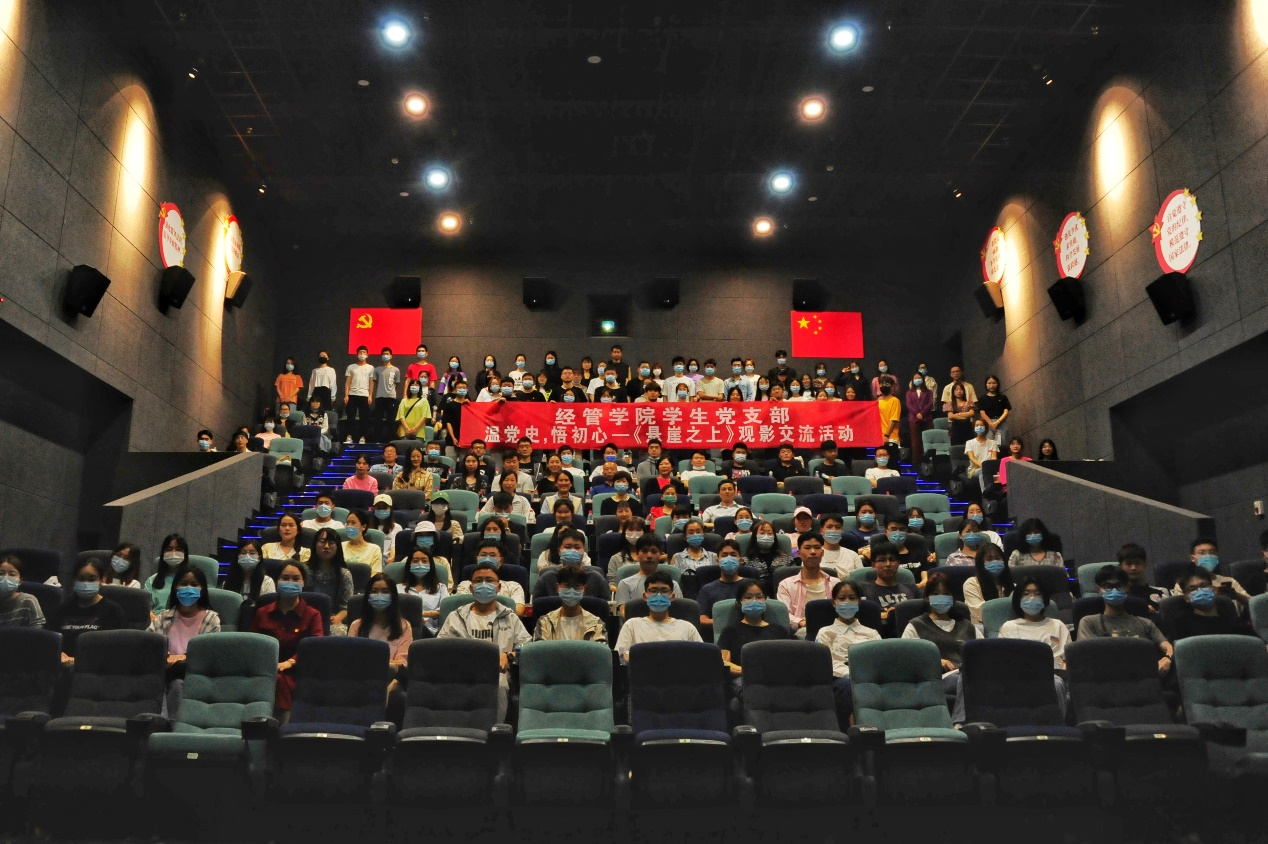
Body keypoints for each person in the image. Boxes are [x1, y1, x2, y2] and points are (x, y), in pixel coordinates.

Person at [438, 561, 530, 718]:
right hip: (462, 670)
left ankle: (496, 728)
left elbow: (527, 647)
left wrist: (508, 656)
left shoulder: (509, 617)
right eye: (478, 580)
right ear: (471, 588)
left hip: (497, 672)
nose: (484, 584)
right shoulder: (456, 617)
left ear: (498, 587)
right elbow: (440, 649)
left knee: (500, 684)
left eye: (489, 580)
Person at [252, 562, 324, 717]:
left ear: (303, 582)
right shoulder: (262, 613)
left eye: (296, 579)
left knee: (280, 680)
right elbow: (254, 646)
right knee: (276, 679)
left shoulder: (313, 615)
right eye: (285, 578)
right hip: (267, 669)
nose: (290, 582)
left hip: (300, 671)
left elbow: (315, 647)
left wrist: (290, 662)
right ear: (277, 581)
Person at [149, 564, 222, 712]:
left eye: (194, 584)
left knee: (178, 683)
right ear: (176, 587)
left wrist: (183, 658)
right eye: (183, 584)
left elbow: (210, 655)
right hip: (164, 672)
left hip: (195, 675)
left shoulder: (212, 619)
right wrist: (166, 657)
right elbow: (149, 645)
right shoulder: (164, 617)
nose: (188, 588)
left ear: (202, 589)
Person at [1076, 566, 1174, 674]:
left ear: (1126, 588)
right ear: (1099, 590)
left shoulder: (1145, 623)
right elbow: (1087, 656)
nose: (1114, 590)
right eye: (1108, 586)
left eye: (1119, 586)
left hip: (1146, 676)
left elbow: (1169, 647)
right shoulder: (1089, 622)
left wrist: (1168, 658)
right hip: (1109, 678)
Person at [901, 573, 976, 704]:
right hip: (936, 680)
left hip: (967, 674)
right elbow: (906, 659)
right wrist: (936, 660)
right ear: (927, 597)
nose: (941, 598)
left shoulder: (968, 626)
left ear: (953, 598)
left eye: (946, 594)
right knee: (966, 683)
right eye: (936, 594)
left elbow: (982, 653)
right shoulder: (916, 625)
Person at [817, 580, 881, 729]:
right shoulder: (825, 632)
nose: (847, 602)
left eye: (852, 598)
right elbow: (826, 663)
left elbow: (878, 661)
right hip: (838, 680)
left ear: (859, 602)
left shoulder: (872, 633)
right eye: (841, 598)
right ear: (834, 603)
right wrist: (852, 675)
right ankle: (851, 732)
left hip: (868, 678)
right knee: (847, 687)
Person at [719, 579, 790, 700]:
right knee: (754, 693)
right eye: (748, 597)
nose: (754, 601)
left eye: (759, 597)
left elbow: (788, 660)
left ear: (765, 600)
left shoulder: (779, 631)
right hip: (744, 678)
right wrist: (749, 671)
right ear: (740, 602)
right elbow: (724, 663)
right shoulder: (730, 631)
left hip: (775, 678)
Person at [614, 571, 703, 660]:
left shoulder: (687, 628)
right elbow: (620, 654)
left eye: (664, 591)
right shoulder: (631, 625)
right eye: (653, 591)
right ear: (645, 596)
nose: (659, 595)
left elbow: (702, 656)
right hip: (642, 668)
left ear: (672, 597)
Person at [350, 574, 411, 692]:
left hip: (391, 678)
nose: (379, 596)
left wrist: (373, 663)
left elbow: (402, 663)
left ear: (393, 596)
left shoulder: (404, 626)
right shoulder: (356, 626)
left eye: (385, 591)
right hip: (362, 677)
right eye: (374, 591)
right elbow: (353, 659)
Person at [57, 558, 125, 664]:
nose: (86, 583)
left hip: (98, 669)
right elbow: (50, 641)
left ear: (102, 580)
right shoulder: (63, 609)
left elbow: (120, 649)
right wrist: (58, 654)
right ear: (74, 580)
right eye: (81, 579)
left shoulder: (113, 611)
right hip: (64, 667)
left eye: (91, 579)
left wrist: (80, 661)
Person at [777, 532, 839, 639]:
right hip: (802, 631)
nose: (813, 552)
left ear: (822, 553)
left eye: (817, 548)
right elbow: (784, 614)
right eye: (807, 548)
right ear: (799, 553)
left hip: (832, 629)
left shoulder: (836, 583)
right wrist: (802, 622)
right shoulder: (786, 584)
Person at [999, 576, 1069, 670]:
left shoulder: (1058, 625)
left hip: (1053, 673)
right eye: (1026, 594)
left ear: (1044, 598)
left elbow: (1068, 659)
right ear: (1018, 598)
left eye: (1037, 593)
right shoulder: (1009, 627)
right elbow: (1002, 661)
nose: (1032, 598)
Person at [1167, 569, 1252, 640]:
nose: (1200, 591)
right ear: (1186, 598)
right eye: (1192, 589)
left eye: (1204, 585)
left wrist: (1237, 596)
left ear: (1214, 589)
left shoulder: (1229, 616)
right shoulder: (1181, 624)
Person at [533, 566, 608, 642]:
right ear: (558, 588)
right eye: (567, 585)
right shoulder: (545, 623)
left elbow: (600, 649)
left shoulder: (596, 624)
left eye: (576, 586)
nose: (572, 590)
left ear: (584, 589)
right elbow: (539, 649)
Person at [1174, 537, 1250, 608]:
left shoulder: (1229, 581)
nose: (1208, 556)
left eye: (1212, 552)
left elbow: (1252, 604)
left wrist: (1235, 595)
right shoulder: (1185, 583)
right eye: (1202, 553)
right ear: (1193, 558)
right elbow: (1179, 608)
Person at [456, 540, 526, 615]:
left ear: (501, 560)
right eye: (483, 555)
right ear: (477, 559)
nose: (487, 559)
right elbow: (461, 608)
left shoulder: (514, 586)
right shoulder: (465, 585)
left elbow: (519, 610)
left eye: (492, 555)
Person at [860, 543, 919, 628]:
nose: (888, 564)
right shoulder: (862, 589)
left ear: (898, 564)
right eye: (882, 560)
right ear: (873, 565)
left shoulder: (912, 588)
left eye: (892, 559)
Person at [308, 527, 354, 635]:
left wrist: (338, 617)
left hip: (333, 619)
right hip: (307, 617)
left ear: (338, 547)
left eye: (331, 543)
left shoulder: (344, 574)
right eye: (322, 541)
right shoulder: (304, 571)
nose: (326, 546)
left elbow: (347, 606)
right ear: (315, 545)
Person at [615, 535, 683, 607]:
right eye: (644, 551)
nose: (649, 556)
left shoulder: (673, 585)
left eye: (654, 551)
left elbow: (679, 610)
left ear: (660, 554)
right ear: (637, 554)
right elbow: (624, 611)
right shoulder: (625, 584)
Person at [865, 515, 933, 586]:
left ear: (907, 531)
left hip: (917, 587)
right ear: (886, 531)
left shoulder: (918, 545)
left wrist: (924, 581)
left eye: (902, 529)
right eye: (893, 529)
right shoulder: (880, 553)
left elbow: (924, 569)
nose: (898, 533)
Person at [697, 540, 748, 628]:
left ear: (740, 560)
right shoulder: (707, 589)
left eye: (733, 555)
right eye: (724, 555)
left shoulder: (751, 586)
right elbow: (702, 619)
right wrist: (726, 623)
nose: (729, 558)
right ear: (718, 561)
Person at [397, 549, 449, 635]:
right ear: (409, 564)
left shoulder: (441, 588)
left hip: (432, 633)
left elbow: (445, 610)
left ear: (430, 565)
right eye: (415, 561)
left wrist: (422, 614)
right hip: (403, 631)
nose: (420, 564)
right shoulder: (397, 588)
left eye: (424, 561)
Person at [963, 544, 1012, 626]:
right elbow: (981, 613)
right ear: (981, 563)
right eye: (989, 559)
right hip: (982, 627)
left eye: (998, 558)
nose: (995, 562)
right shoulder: (971, 584)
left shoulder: (1012, 585)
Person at [145, 533, 189, 615]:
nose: (173, 553)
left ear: (184, 553)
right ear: (163, 553)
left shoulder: (190, 580)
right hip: (156, 620)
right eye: (169, 549)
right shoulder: (152, 580)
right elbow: (145, 609)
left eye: (178, 549)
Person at [1117, 543, 1168, 613]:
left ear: (1145, 565)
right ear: (1120, 567)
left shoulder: (1161, 593)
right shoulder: (1117, 597)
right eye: (1129, 564)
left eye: (1137, 563)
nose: (1133, 568)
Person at [343, 345, 377, 445]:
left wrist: (370, 395)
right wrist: (346, 395)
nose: (362, 354)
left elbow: (371, 383)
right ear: (357, 354)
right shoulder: (351, 367)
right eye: (360, 352)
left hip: (364, 395)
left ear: (367, 355)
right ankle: (349, 436)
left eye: (364, 352)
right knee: (350, 417)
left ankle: (363, 437)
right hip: (352, 394)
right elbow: (347, 382)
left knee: (364, 418)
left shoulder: (371, 368)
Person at [0, 555, 46, 627]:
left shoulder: (28, 601)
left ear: (20, 580)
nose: (6, 578)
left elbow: (38, 628)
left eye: (12, 574)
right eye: (1, 573)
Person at [341, 509, 384, 574]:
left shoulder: (374, 549)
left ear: (363, 527)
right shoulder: (340, 546)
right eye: (347, 522)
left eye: (353, 523)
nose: (349, 526)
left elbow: (375, 575)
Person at [906, 373, 935, 467]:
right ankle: (916, 463)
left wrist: (922, 413)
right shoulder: (909, 393)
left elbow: (930, 403)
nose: (917, 379)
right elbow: (909, 405)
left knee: (928, 440)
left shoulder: (929, 392)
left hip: (927, 418)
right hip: (914, 419)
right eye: (915, 378)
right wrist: (917, 414)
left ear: (923, 379)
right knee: (915, 442)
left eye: (919, 378)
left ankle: (928, 461)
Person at [607, 519, 646, 587]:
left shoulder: (651, 556)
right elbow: (612, 583)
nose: (634, 533)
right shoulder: (615, 558)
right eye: (631, 530)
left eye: (638, 530)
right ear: (624, 533)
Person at [977, 375, 1012, 449]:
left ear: (998, 384)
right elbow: (982, 413)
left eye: (994, 383)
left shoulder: (1003, 397)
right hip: (988, 423)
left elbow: (1006, 412)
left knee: (1001, 444)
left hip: (1000, 422)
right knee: (989, 445)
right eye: (989, 383)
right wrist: (991, 424)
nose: (992, 385)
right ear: (986, 385)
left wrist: (997, 422)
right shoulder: (982, 398)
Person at [367, 494, 402, 561]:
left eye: (384, 508)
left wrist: (391, 560)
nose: (381, 511)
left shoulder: (397, 528)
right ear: (374, 509)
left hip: (387, 559)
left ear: (390, 509)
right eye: (378, 508)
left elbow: (393, 548)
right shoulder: (367, 527)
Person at [441, 380, 470, 454]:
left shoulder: (470, 405)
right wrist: (453, 438)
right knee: (450, 460)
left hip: (466, 441)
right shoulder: (449, 405)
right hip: (451, 440)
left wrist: (469, 405)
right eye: (459, 388)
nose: (462, 390)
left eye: (464, 388)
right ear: (455, 389)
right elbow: (448, 422)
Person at [944, 381, 976, 448]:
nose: (959, 391)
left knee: (969, 447)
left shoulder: (969, 403)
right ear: (953, 392)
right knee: (956, 448)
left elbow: (971, 413)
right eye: (956, 390)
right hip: (955, 429)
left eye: (961, 389)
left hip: (968, 428)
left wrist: (958, 414)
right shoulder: (950, 404)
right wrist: (966, 415)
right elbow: (951, 416)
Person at [876, 381, 902, 448]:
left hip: (891, 438)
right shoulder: (878, 402)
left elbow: (893, 419)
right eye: (882, 384)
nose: (884, 385)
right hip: (879, 438)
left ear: (892, 387)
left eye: (887, 384)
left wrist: (886, 435)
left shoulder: (895, 400)